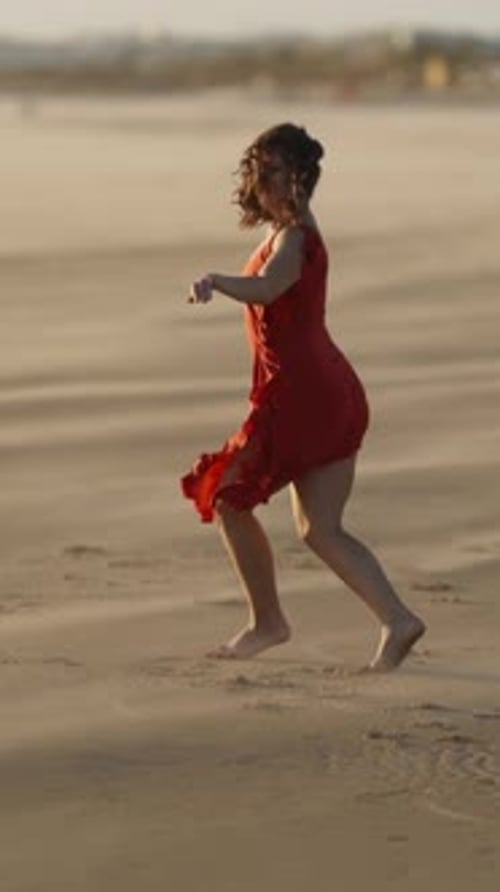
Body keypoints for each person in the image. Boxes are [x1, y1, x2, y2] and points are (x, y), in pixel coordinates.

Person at [181, 122, 425, 670]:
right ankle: (398, 620)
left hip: (305, 397)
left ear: (298, 178)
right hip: (326, 390)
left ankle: (268, 623)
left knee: (227, 495)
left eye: (272, 172)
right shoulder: (284, 233)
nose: (260, 182)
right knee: (321, 528)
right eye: (257, 171)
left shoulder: (295, 239)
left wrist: (217, 280)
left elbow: (269, 288)